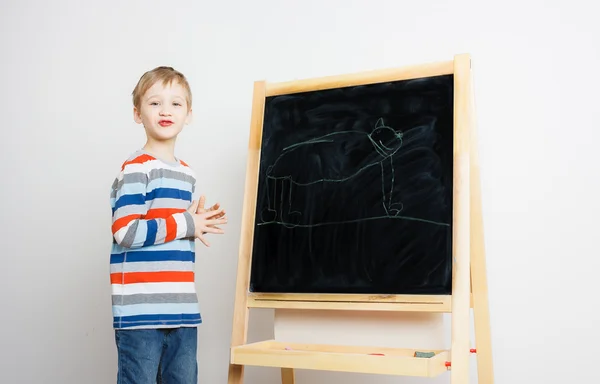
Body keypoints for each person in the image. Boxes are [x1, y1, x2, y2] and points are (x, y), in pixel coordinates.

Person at [109, 66, 227, 383]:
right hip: (140, 313)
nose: (166, 110)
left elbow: (175, 229)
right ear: (137, 113)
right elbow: (126, 231)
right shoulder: (137, 169)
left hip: (182, 309)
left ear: (188, 114)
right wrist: (187, 223)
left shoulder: (187, 174)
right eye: (155, 103)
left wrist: (198, 224)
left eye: (176, 103)